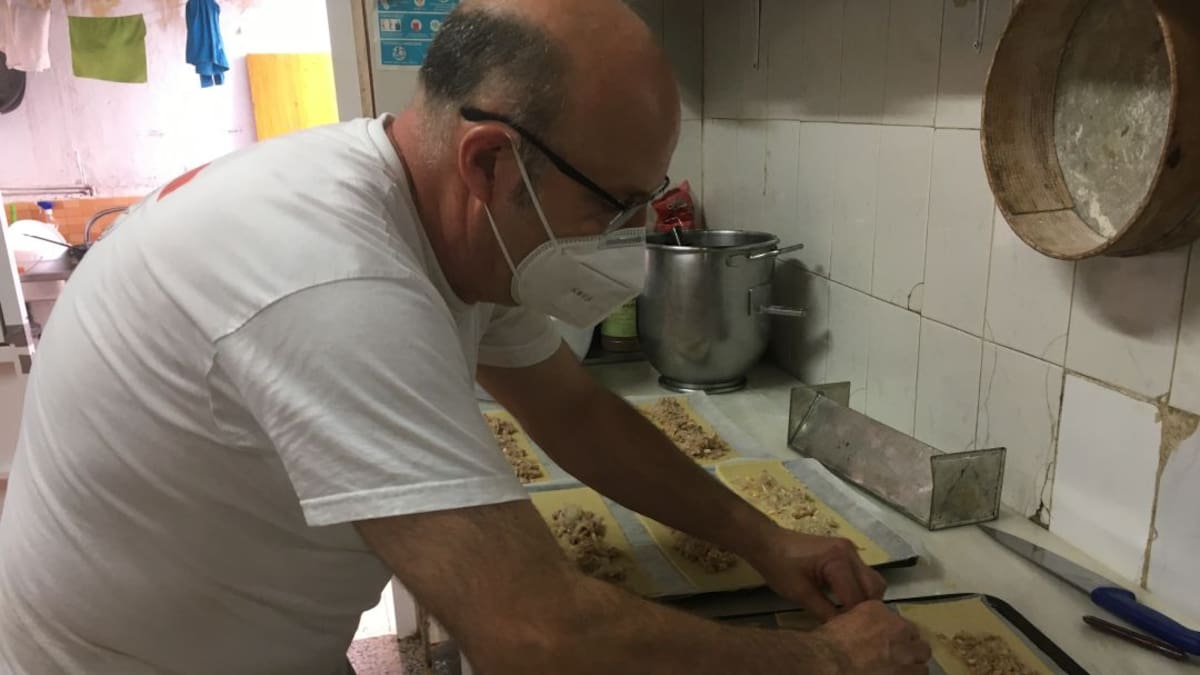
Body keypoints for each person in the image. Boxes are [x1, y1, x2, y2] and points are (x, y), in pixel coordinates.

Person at [0, 1, 932, 673]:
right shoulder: (337, 281)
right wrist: (826, 663)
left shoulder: (444, 223)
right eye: (615, 205)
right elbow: (534, 634)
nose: (630, 237)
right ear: (490, 162)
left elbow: (574, 413)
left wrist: (760, 537)